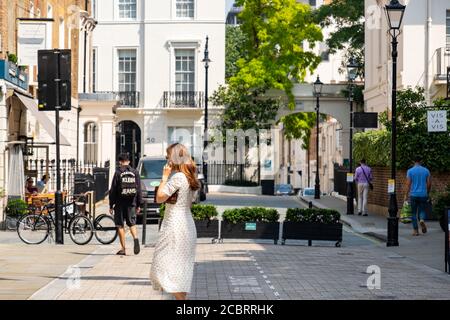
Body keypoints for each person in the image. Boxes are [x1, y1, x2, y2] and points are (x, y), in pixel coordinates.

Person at [150, 143, 200, 301]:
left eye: (167, 157)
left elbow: (159, 198)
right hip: (186, 225)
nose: (167, 161)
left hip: (174, 226)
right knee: (180, 271)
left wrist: (164, 177)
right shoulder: (190, 177)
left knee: (162, 267)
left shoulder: (178, 177)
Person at [109, 153, 142, 256]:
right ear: (129, 161)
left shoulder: (118, 172)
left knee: (120, 225)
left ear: (120, 161)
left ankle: (123, 249)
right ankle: (135, 238)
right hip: (131, 202)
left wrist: (111, 204)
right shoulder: (135, 172)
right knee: (132, 223)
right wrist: (138, 204)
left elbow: (113, 190)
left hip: (119, 203)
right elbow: (139, 189)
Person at [404, 156, 431, 236]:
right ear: (421, 161)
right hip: (423, 194)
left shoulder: (410, 171)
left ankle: (415, 231)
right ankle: (422, 220)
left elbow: (408, 184)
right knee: (422, 210)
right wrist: (427, 192)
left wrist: (406, 195)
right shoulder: (426, 170)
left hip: (413, 195)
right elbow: (429, 183)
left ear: (413, 161)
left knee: (413, 213)